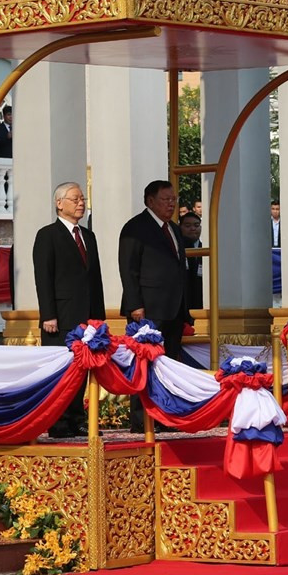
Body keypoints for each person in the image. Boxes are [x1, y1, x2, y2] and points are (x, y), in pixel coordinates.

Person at [33, 182, 106, 438]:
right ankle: (59, 422)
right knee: (62, 372)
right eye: (75, 199)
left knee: (81, 370)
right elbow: (43, 277)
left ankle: (77, 419)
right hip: (60, 318)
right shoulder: (47, 235)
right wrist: (48, 314)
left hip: (86, 320)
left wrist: (98, 318)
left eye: (82, 198)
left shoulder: (89, 236)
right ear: (59, 203)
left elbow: (95, 279)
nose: (81, 203)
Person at [119, 180, 191, 432]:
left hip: (173, 309)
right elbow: (128, 270)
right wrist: (135, 305)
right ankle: (141, 419)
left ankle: (165, 415)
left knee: (168, 364)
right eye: (165, 200)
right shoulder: (135, 228)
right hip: (147, 309)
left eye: (173, 199)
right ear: (150, 201)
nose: (171, 204)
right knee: (143, 364)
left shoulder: (173, 228)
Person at [179, 211, 203, 310]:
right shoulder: (177, 248)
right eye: (187, 225)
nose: (193, 229)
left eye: (196, 225)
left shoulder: (206, 247)